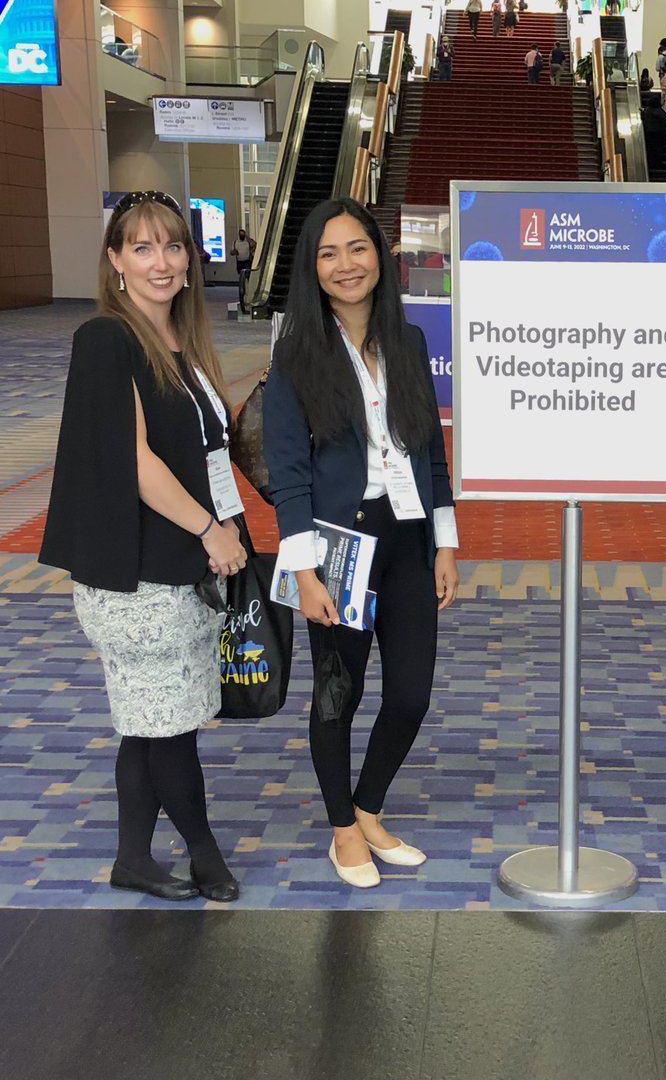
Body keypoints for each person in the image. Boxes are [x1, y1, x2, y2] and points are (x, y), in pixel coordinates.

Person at [39, 190, 247, 904]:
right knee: (170, 728)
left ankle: (132, 857)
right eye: (143, 247)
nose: (162, 262)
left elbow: (204, 453)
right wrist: (210, 530)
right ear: (115, 261)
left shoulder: (184, 346)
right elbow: (135, 463)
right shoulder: (108, 340)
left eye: (174, 246)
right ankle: (205, 853)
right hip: (136, 574)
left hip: (182, 564)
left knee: (149, 722)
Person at [263, 197, 459, 889]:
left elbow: (430, 451)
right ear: (311, 267)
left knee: (410, 695)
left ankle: (368, 807)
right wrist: (304, 573)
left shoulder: (409, 341)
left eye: (357, 248)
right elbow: (288, 475)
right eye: (328, 253)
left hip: (407, 539)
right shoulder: (295, 354)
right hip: (336, 547)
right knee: (336, 697)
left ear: (380, 256)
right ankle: (342, 829)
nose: (345, 265)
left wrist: (444, 542)